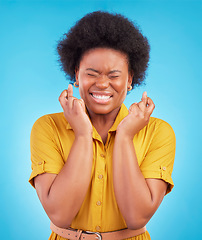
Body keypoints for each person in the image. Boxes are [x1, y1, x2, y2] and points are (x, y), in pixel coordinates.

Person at [29, 11, 176, 240]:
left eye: (114, 75)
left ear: (129, 80)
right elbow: (59, 215)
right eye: (92, 73)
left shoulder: (159, 132)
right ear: (76, 75)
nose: (102, 84)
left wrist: (125, 135)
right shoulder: (47, 127)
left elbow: (137, 218)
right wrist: (82, 135)